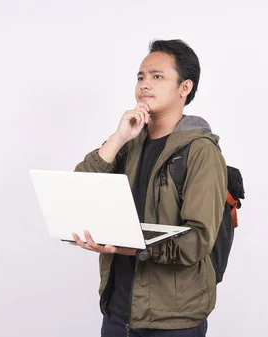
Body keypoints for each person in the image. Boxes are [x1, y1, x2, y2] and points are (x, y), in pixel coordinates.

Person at [73, 39, 227, 337]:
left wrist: (131, 248)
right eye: (141, 77)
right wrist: (118, 138)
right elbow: (81, 188)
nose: (145, 84)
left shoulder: (200, 151)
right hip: (118, 312)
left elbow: (198, 240)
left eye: (157, 77)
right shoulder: (129, 143)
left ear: (185, 88)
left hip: (173, 321)